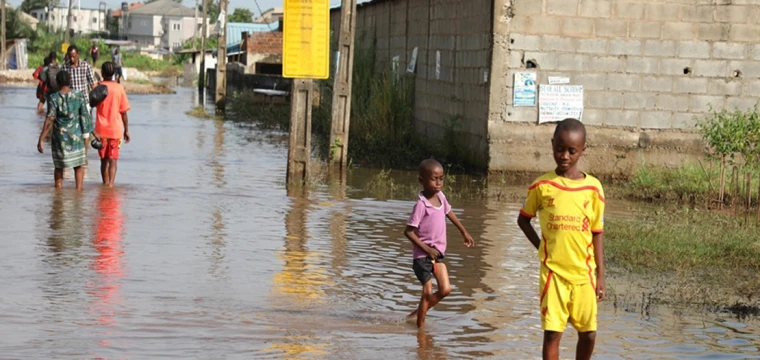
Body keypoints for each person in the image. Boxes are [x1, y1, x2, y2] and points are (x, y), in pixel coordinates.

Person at [516, 118, 606, 360]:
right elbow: (523, 220)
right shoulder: (542, 186)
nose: (564, 155)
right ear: (552, 145)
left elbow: (597, 232)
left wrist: (601, 276)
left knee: (588, 333)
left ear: (582, 150)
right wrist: (541, 246)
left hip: (584, 274)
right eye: (559, 148)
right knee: (552, 334)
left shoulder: (594, 189)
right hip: (553, 274)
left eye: (571, 151)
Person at [404, 159, 475, 328]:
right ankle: (420, 331)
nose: (438, 183)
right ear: (422, 181)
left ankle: (416, 314)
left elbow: (449, 213)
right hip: (422, 256)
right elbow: (408, 232)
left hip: (437, 255)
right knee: (427, 292)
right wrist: (427, 249)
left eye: (441, 178)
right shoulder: (421, 205)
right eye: (433, 179)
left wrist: (463, 231)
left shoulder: (441, 197)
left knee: (445, 290)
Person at [37, 70, 94, 191]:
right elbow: (85, 116)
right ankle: (79, 192)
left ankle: (58, 192)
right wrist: (92, 132)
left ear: (57, 82)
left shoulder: (53, 97)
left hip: (60, 139)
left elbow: (49, 120)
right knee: (78, 166)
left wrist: (41, 138)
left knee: (59, 166)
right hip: (76, 137)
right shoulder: (79, 95)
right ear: (70, 81)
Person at [92, 61, 131, 187]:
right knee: (113, 160)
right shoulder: (119, 88)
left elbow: (89, 107)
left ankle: (105, 184)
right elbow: (123, 112)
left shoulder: (96, 87)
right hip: (115, 130)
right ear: (114, 73)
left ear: (102, 73)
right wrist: (126, 130)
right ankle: (111, 186)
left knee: (103, 161)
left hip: (100, 131)